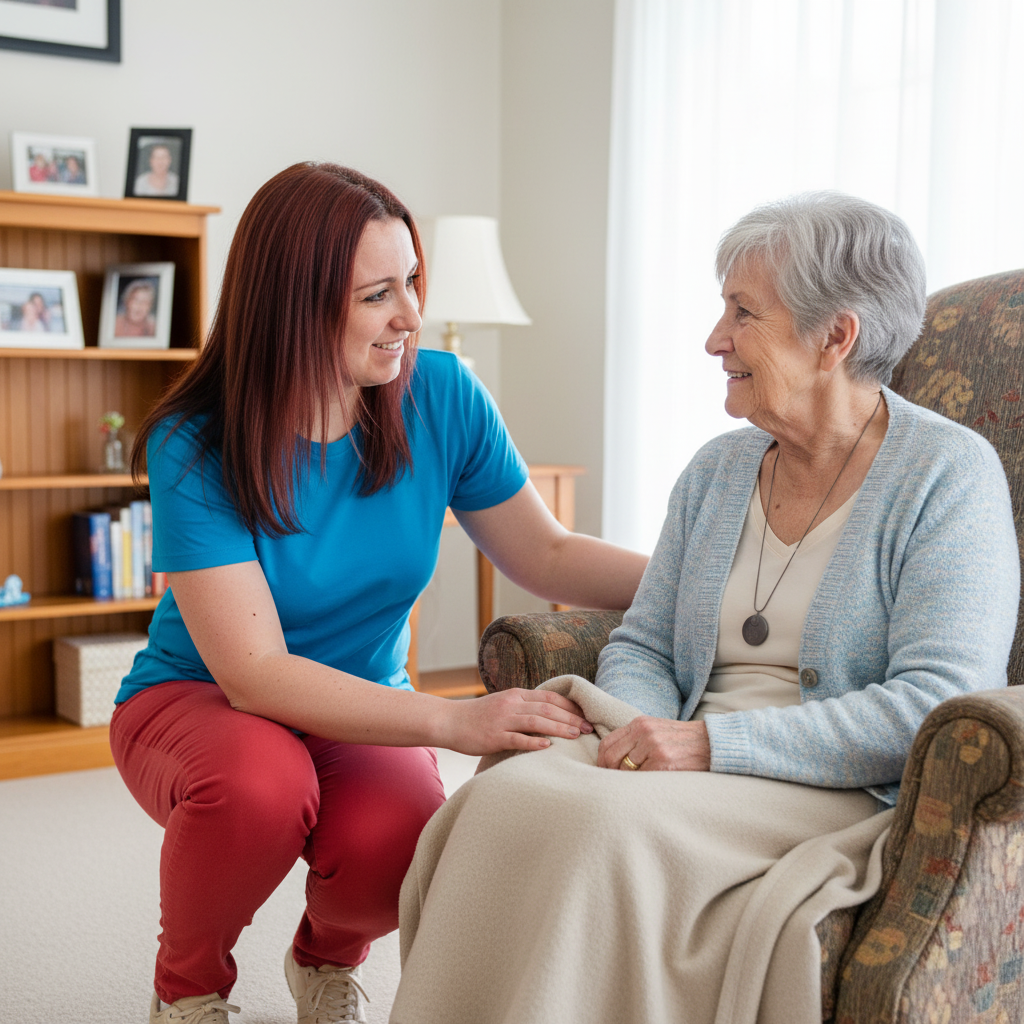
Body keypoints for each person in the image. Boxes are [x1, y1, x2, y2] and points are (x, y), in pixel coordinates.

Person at [391, 192, 1020, 1024]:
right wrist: (636, 739)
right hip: (681, 751)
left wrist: (708, 745)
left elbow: (928, 705)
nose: (713, 339)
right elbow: (645, 643)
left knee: (600, 837)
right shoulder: (718, 470)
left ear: (837, 336)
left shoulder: (948, 474)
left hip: (827, 782)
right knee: (498, 806)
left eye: (743, 312)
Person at [110, 162, 647, 1024]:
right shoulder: (195, 439)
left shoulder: (440, 394)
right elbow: (253, 673)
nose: (408, 316)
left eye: (412, 283)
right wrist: (452, 719)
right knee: (260, 786)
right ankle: (189, 990)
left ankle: (323, 963)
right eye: (376, 295)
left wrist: (704, 574)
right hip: (198, 698)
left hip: (358, 702)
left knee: (400, 838)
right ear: (294, 303)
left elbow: (544, 553)